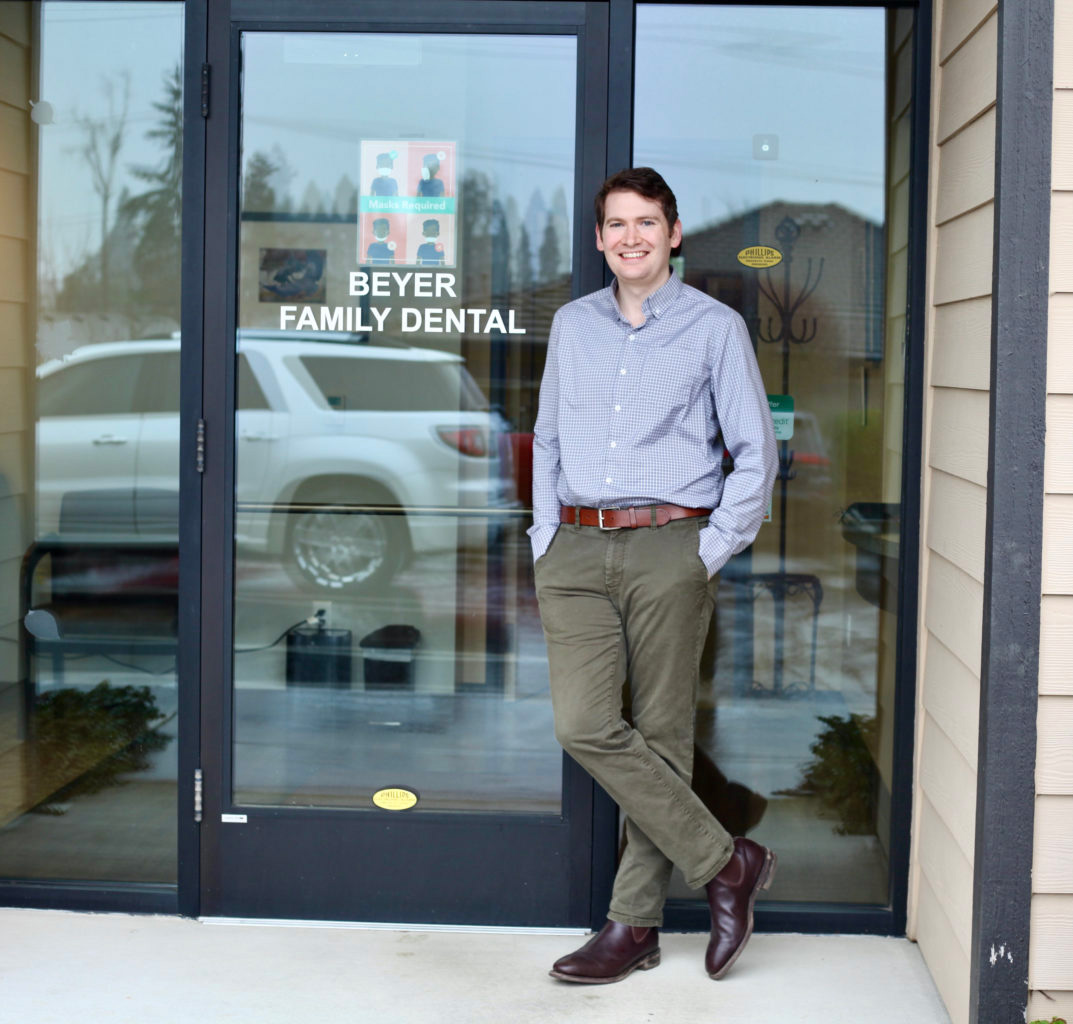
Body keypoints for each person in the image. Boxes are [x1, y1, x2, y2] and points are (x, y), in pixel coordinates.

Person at [530, 167, 779, 985]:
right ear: (599, 238)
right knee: (585, 726)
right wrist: (543, 537)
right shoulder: (572, 324)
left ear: (672, 233)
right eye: (615, 224)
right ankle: (727, 862)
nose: (630, 237)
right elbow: (548, 438)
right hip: (574, 549)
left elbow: (754, 454)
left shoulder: (713, 329)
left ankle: (631, 925)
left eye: (646, 222)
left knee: (663, 735)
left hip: (669, 544)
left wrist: (707, 550)